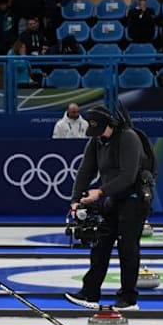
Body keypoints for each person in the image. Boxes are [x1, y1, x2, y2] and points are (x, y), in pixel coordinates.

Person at [64, 105, 154, 311]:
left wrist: (100, 192)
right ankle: (89, 292)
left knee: (127, 247)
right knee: (100, 244)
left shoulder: (128, 138)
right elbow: (85, 170)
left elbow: (127, 176)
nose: (97, 136)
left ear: (110, 125)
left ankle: (128, 298)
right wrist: (75, 199)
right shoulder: (97, 140)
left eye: (100, 131)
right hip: (113, 198)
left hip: (134, 197)